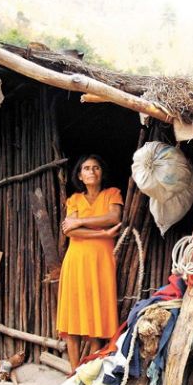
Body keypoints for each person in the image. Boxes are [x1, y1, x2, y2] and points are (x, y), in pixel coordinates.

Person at [57, 154, 123, 370]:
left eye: (96, 168)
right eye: (86, 168)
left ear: (101, 172)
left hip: (101, 261)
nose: (91, 172)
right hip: (76, 260)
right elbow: (71, 232)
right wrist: (103, 235)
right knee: (73, 315)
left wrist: (80, 221)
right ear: (79, 175)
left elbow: (114, 218)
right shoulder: (74, 199)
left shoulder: (112, 194)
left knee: (97, 311)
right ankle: (74, 371)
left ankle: (91, 370)